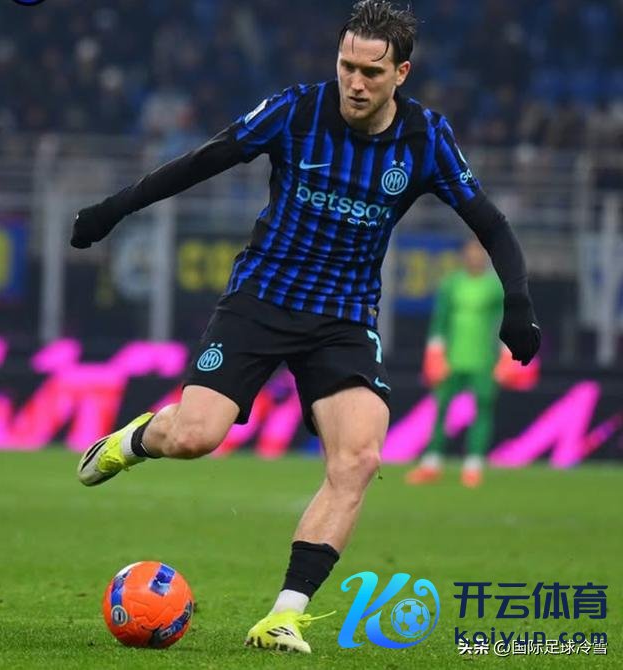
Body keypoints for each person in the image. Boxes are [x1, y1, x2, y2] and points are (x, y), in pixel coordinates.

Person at [71, 0, 540, 654]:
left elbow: (490, 221)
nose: (355, 83)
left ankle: (283, 616)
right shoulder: (297, 110)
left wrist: (517, 302)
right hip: (261, 300)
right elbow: (202, 160)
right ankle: (136, 439)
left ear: (401, 73)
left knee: (360, 457)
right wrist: (112, 210)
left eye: (371, 72)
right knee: (196, 435)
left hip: (343, 318)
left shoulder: (426, 138)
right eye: (347, 66)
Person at [406, 239, 504, 488]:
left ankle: (473, 465)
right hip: (451, 359)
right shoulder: (451, 284)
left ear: (485, 256)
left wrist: (506, 354)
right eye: (470, 252)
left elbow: (503, 323)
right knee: (440, 410)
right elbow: (440, 319)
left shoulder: (494, 288)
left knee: (482, 410)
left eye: (478, 252)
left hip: (484, 360)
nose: (474, 257)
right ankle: (431, 463)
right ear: (464, 255)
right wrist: (434, 352)